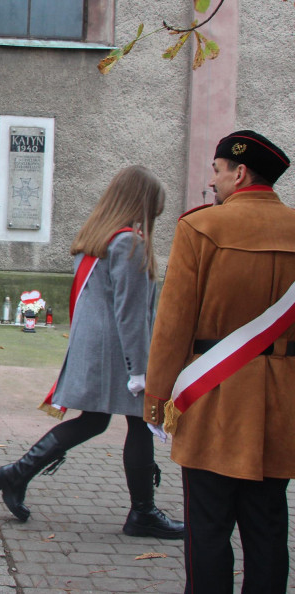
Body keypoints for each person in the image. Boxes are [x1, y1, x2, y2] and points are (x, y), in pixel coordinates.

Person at [0, 165, 184, 539]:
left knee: (95, 421)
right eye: (153, 211)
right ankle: (142, 513)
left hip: (95, 348)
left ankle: (16, 474)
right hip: (117, 353)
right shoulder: (128, 243)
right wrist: (140, 370)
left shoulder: (99, 238)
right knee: (138, 422)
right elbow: (129, 313)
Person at [144, 131, 294, 593]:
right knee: (268, 524)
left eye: (216, 170)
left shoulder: (200, 228)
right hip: (282, 401)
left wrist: (156, 400)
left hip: (215, 398)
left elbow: (172, 327)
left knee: (208, 527)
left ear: (240, 172)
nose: (213, 181)